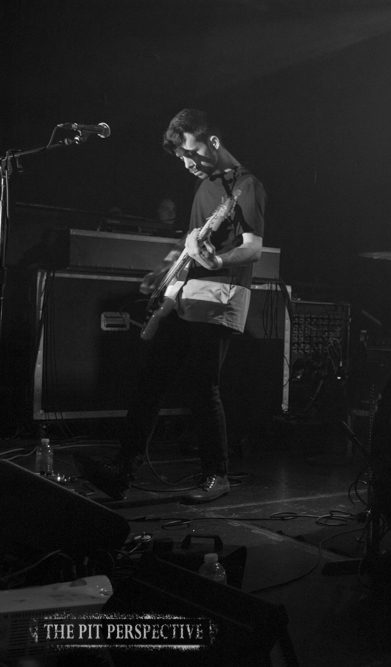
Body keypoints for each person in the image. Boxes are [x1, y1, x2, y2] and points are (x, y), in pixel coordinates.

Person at [74, 109, 266, 503]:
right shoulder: (205, 186)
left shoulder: (246, 185)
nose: (187, 163)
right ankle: (121, 472)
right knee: (151, 381)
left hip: (220, 298)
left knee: (202, 387)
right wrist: (164, 270)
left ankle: (218, 475)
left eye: (191, 153)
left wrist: (218, 261)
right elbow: (193, 240)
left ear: (213, 141)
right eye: (180, 157)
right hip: (186, 293)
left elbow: (252, 248)